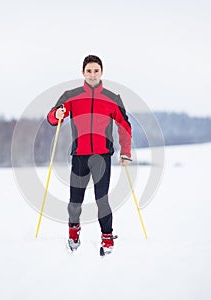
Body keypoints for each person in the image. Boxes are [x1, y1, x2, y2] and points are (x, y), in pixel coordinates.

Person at [47, 55, 132, 255]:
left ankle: (107, 238)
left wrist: (125, 152)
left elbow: (125, 127)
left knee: (102, 199)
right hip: (79, 157)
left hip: (102, 157)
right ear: (83, 73)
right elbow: (52, 118)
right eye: (89, 71)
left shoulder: (113, 98)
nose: (92, 74)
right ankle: (73, 233)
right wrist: (56, 114)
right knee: (75, 201)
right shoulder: (71, 96)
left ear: (101, 72)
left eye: (96, 71)